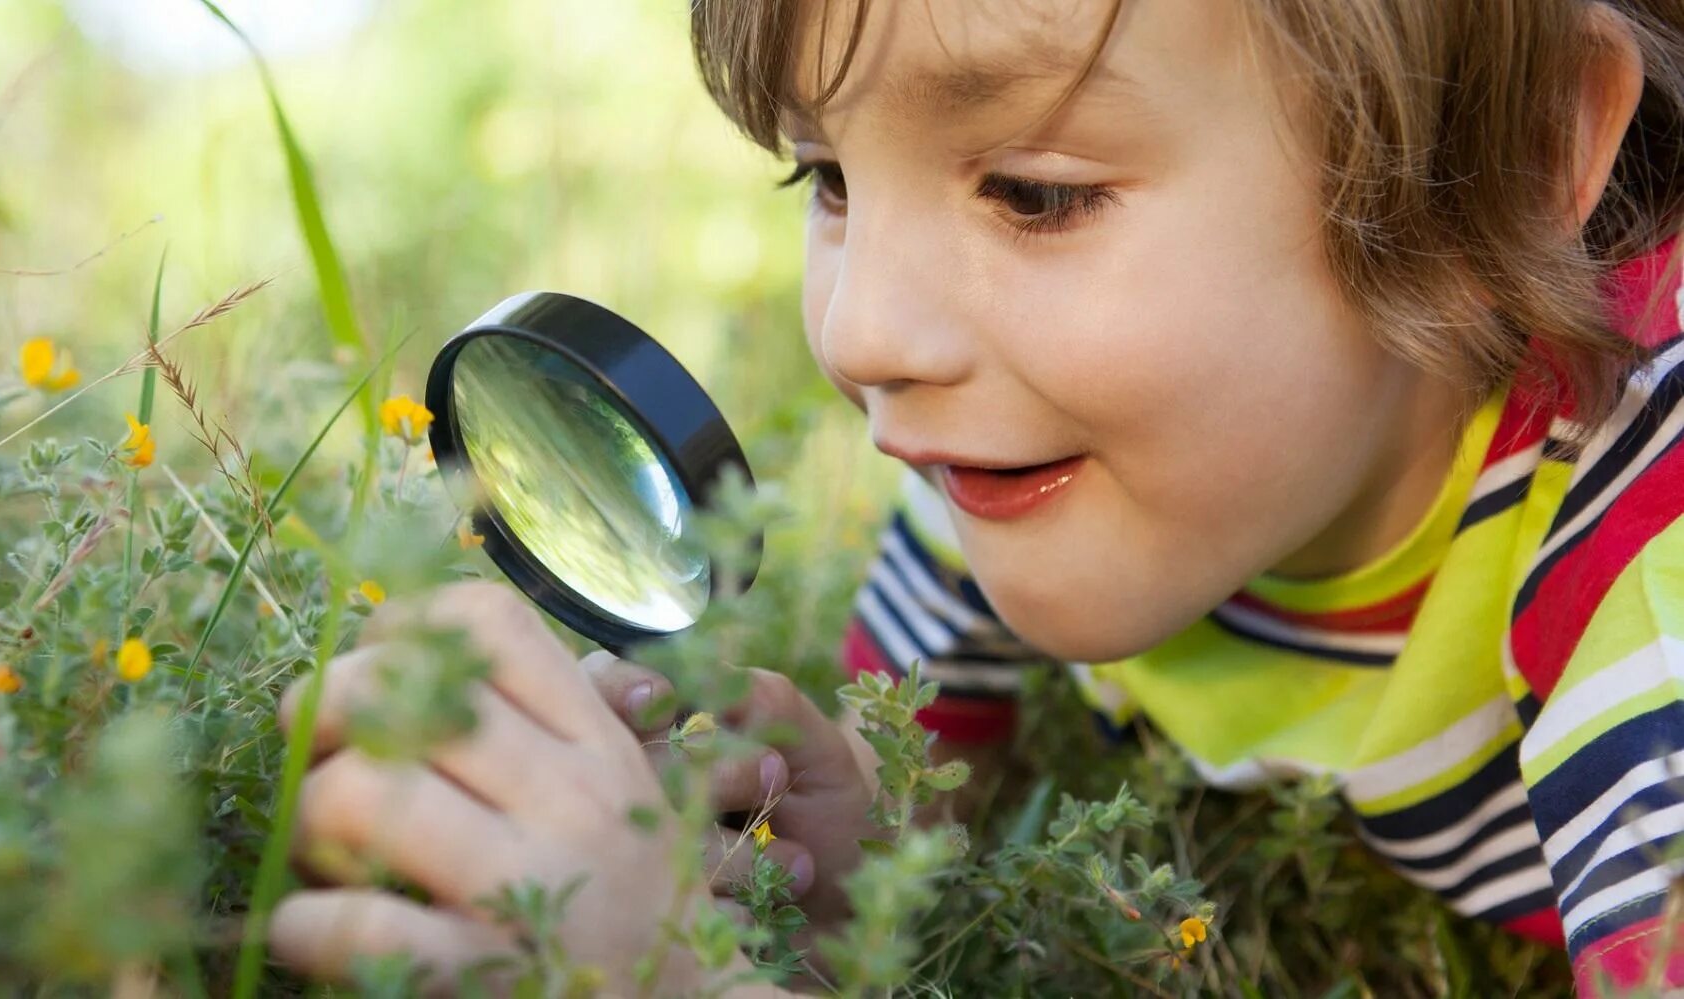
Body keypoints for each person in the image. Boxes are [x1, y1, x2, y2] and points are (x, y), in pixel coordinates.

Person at [267, 0, 1684, 994]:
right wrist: (852, 872)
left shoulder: (1649, 550)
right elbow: (921, 827)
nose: (863, 334)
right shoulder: (1010, 466)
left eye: (1033, 191)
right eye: (824, 175)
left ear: (1514, 148)